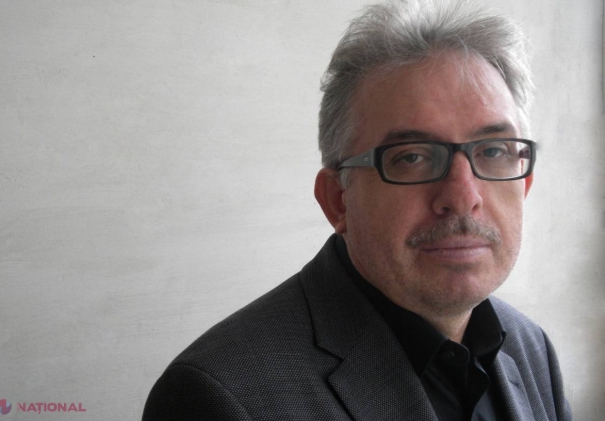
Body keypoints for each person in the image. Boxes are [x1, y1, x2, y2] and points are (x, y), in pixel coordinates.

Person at [143, 1, 572, 419]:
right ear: (338, 200)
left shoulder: (530, 348)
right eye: (411, 157)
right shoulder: (220, 397)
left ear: (525, 183)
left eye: (493, 150)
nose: (462, 196)